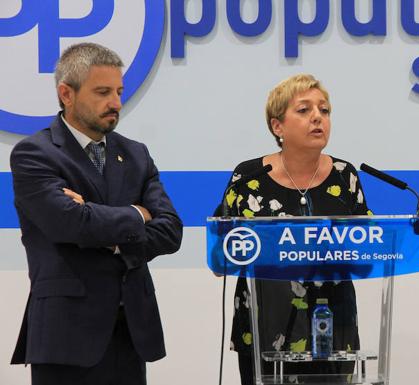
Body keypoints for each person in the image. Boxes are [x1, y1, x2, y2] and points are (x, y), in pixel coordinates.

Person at [9, 43, 183, 385]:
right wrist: (136, 213)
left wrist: (100, 226)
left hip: (131, 332)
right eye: (103, 92)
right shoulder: (34, 154)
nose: (116, 103)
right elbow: (70, 224)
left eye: (118, 91)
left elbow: (171, 230)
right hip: (66, 335)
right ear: (66, 94)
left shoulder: (136, 155)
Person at [219, 74, 371, 384]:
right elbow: (221, 253)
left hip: (333, 327)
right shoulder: (248, 178)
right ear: (278, 126)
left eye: (324, 110)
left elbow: (367, 249)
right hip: (265, 326)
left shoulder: (344, 176)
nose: (318, 117)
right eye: (304, 110)